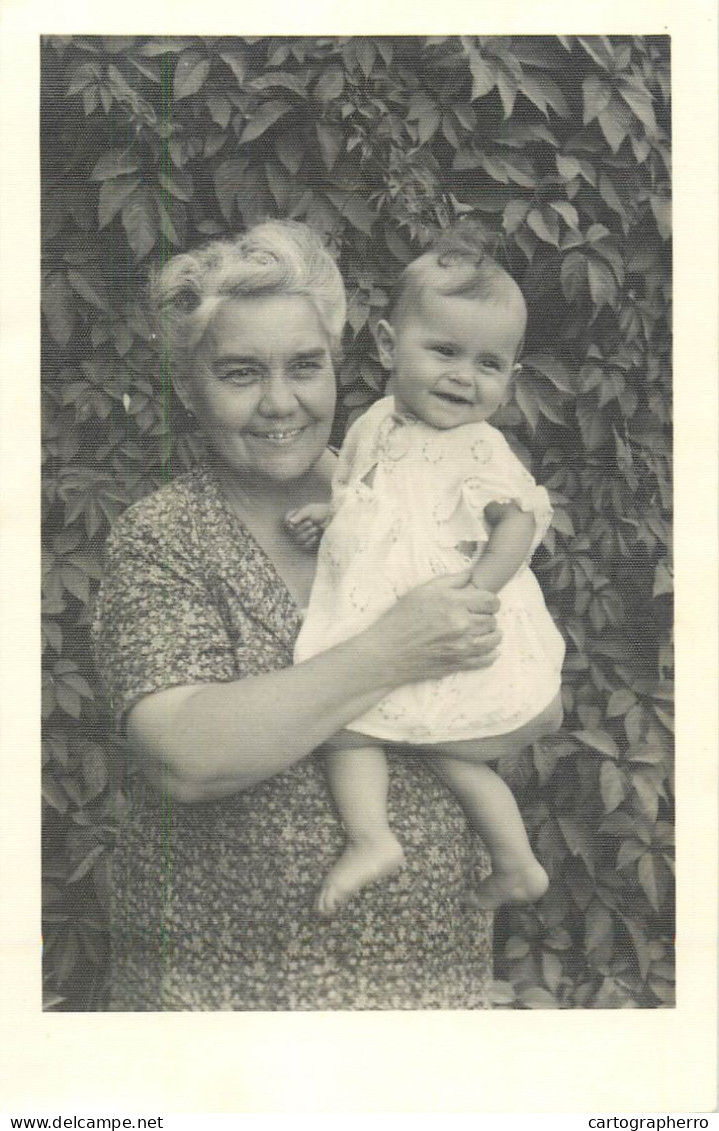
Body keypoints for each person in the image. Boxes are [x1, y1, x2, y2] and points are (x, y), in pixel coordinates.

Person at [92, 219, 517, 1011]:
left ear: (338, 365)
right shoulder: (165, 536)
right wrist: (393, 654)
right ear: (190, 387)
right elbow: (184, 754)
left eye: (304, 367)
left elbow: (532, 705)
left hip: (427, 989)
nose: (279, 402)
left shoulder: (414, 498)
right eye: (241, 372)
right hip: (229, 1009)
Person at [291, 225, 565, 918]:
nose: (462, 376)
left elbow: (518, 523)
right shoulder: (373, 423)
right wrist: (330, 516)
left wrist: (473, 594)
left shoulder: (479, 448)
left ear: (509, 378)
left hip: (453, 617)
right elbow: (367, 494)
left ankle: (371, 837)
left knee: (348, 722)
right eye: (443, 350)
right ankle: (514, 862)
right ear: (387, 346)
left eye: (487, 363)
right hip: (397, 615)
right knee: (441, 748)